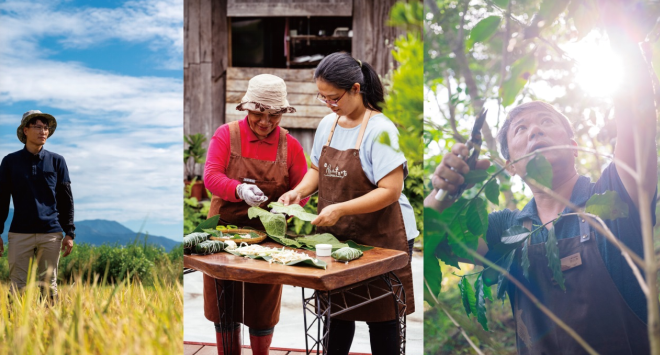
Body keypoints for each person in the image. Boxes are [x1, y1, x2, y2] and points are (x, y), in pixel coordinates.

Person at [425, 8, 656, 354]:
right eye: (521, 129)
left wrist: (619, 30)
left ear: (573, 146)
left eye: (546, 122)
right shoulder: (506, 229)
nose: (534, 130)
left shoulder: (612, 196)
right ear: (511, 165)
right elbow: (436, 239)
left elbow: (638, 116)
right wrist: (440, 195)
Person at [278, 52, 418, 355]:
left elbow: (391, 190)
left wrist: (340, 208)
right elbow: (316, 169)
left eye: (334, 97)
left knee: (382, 319)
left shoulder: (381, 130)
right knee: (335, 314)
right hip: (338, 237)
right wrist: (297, 193)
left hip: (383, 238)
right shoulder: (328, 124)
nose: (329, 103)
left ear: (356, 89)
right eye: (323, 97)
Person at [202, 74, 308, 355]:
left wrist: (287, 201)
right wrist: (238, 190)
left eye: (274, 115)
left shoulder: (291, 146)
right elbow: (211, 177)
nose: (265, 122)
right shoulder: (226, 134)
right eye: (259, 113)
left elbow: (304, 189)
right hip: (223, 236)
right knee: (224, 301)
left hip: (269, 240)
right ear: (246, 108)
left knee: (263, 304)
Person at [0, 110, 75, 301]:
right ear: (25, 130)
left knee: (49, 286)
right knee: (18, 286)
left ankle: (51, 328)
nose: (43, 131)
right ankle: (13, 328)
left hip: (51, 233)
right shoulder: (10, 162)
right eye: (38, 127)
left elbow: (66, 198)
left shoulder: (57, 161)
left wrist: (69, 232)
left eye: (46, 128)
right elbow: (1, 199)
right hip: (19, 232)